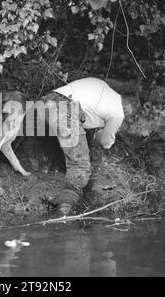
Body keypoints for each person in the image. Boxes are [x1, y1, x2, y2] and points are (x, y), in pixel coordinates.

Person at [43, 77, 139, 214]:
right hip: (65, 108)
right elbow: (106, 142)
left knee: (73, 137)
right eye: (128, 114)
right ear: (128, 107)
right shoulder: (118, 112)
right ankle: (63, 210)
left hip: (47, 101)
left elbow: (84, 117)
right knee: (80, 166)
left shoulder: (104, 89)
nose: (126, 116)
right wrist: (101, 135)